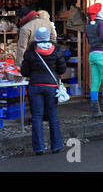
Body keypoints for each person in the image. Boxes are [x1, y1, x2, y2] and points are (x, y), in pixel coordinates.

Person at [20, 27, 67, 155]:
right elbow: (62, 70)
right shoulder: (56, 50)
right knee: (52, 116)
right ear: (48, 37)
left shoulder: (30, 52)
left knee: (36, 117)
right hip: (51, 86)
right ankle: (56, 146)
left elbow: (24, 72)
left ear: (36, 37)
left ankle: (39, 148)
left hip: (35, 86)